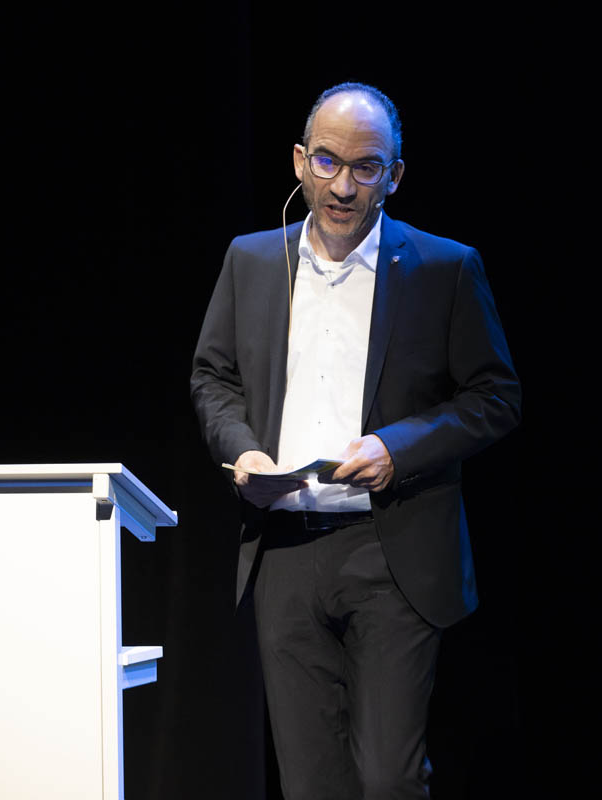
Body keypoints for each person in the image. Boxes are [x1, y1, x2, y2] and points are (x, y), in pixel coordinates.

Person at [191, 82, 520, 800]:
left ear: (393, 175)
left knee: (387, 778)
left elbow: (495, 397)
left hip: (390, 549)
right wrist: (242, 448)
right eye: (327, 162)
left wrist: (398, 448)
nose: (343, 186)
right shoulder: (253, 261)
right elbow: (213, 376)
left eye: (365, 167)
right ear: (299, 161)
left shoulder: (443, 267)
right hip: (284, 549)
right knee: (311, 783)